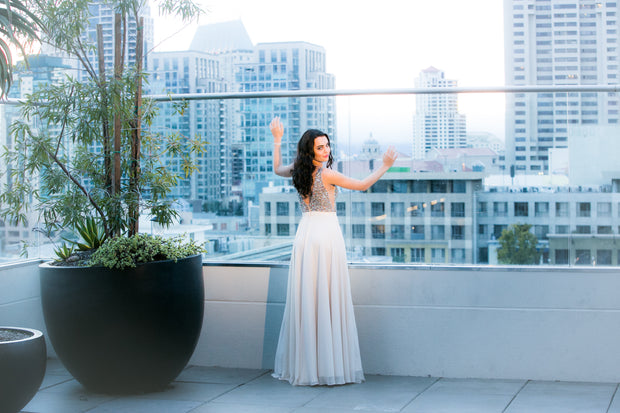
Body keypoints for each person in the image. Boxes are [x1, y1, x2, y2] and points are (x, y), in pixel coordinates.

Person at [269, 116, 398, 386]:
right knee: (327, 295)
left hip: (306, 234)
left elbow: (276, 168)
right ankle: (327, 365)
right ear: (310, 151)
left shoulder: (298, 170)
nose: (326, 150)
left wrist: (277, 139)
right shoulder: (327, 173)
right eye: (320, 147)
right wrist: (385, 166)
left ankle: (307, 365)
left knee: (308, 297)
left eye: (327, 145)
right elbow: (363, 185)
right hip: (326, 235)